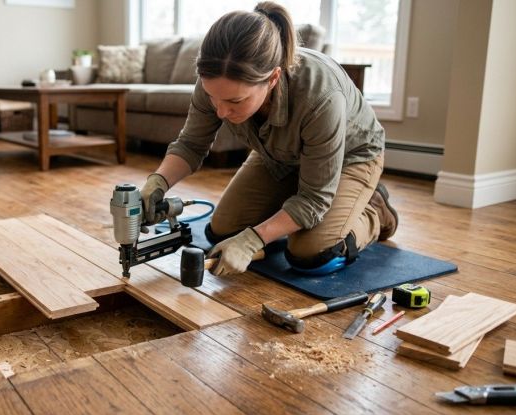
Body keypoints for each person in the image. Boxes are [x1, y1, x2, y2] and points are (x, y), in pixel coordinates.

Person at [139, 1, 398, 277]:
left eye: (235, 101)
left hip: (351, 157)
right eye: (213, 97)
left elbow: (313, 199)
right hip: (280, 154)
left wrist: (254, 239)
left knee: (311, 255)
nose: (221, 111)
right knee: (223, 232)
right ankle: (288, 213)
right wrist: (158, 182)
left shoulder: (321, 96)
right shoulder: (216, 80)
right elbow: (191, 144)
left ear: (273, 78)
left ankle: (374, 211)